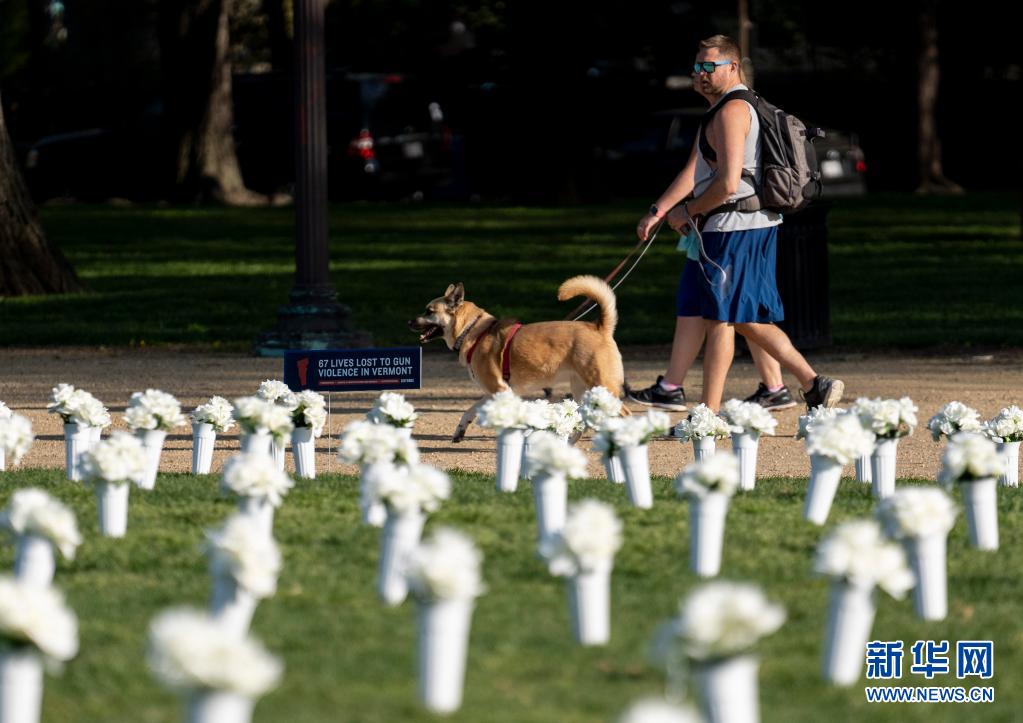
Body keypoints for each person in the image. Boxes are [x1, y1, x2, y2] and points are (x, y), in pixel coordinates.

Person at [627, 34, 842, 413]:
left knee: (723, 318)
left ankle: (709, 415)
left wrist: (688, 211)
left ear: (733, 67)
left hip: (735, 228)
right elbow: (695, 170)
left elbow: (727, 183)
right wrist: (659, 210)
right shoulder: (722, 110)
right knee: (741, 318)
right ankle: (811, 384)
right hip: (744, 226)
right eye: (697, 66)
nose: (700, 73)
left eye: (709, 66)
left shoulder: (732, 111)